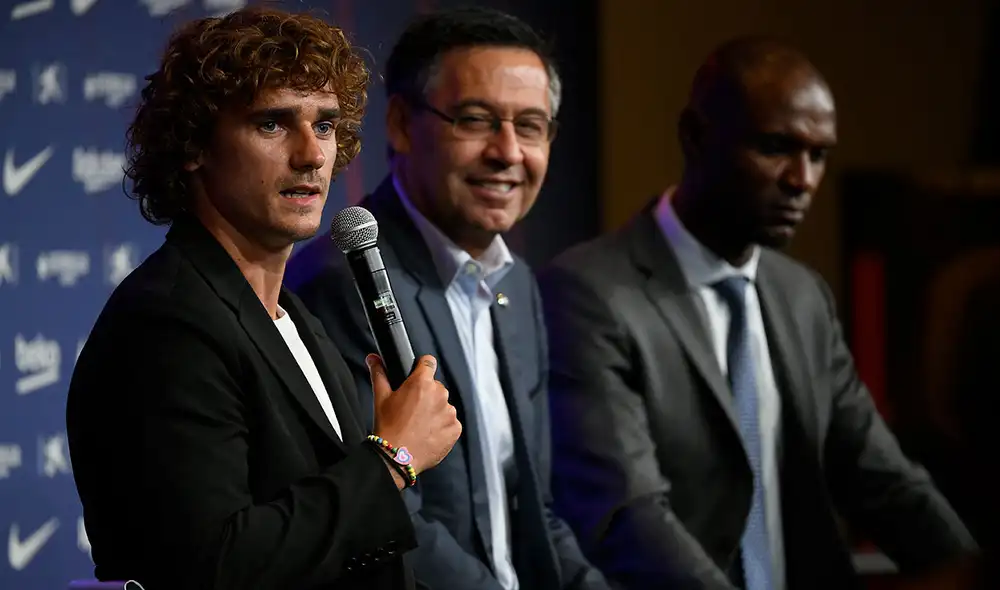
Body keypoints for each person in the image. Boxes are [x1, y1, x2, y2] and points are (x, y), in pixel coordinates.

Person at [536, 36, 978, 590]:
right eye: (775, 147)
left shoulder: (802, 296)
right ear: (694, 137)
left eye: (818, 155)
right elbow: (629, 517)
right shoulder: (589, 292)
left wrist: (970, 571)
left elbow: (882, 480)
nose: (803, 180)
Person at [66, 7, 461, 590]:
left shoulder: (294, 317)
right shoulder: (166, 323)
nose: (312, 155)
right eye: (273, 124)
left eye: (325, 125)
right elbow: (216, 564)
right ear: (194, 145)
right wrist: (392, 462)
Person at [286, 7, 610, 590]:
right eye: (476, 120)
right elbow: (393, 522)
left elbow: (534, 511)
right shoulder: (346, 283)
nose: (508, 152)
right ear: (403, 125)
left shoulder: (518, 285)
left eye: (531, 126)